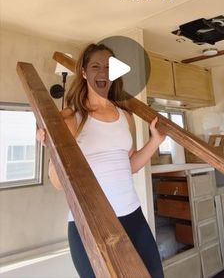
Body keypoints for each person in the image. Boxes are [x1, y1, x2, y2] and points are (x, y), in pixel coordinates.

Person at [37, 43, 165, 278]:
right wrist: (52, 147)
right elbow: (58, 183)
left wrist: (155, 141)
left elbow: (130, 165)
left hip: (132, 216)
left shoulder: (124, 116)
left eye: (108, 67)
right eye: (96, 66)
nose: (103, 72)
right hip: (88, 221)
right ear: (84, 72)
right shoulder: (69, 117)